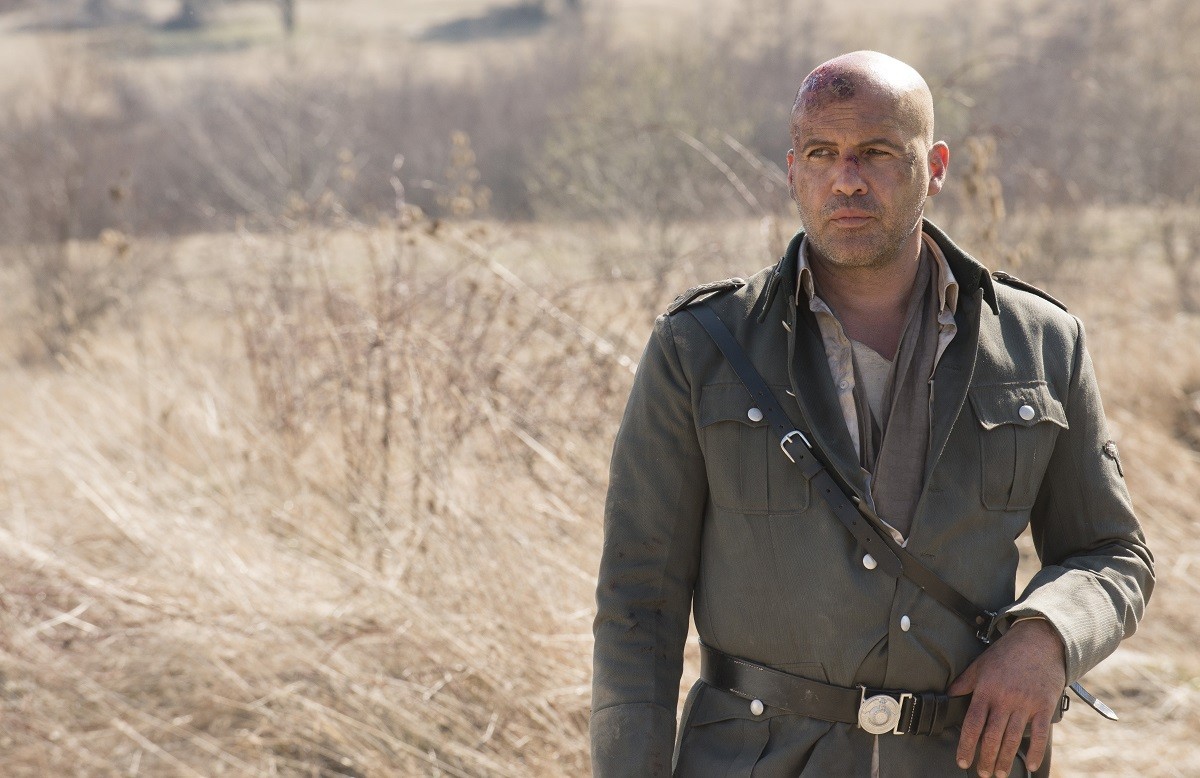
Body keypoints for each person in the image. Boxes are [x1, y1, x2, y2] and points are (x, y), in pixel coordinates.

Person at [590, 50, 1153, 777]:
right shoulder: (702, 347)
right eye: (821, 154)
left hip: (965, 761)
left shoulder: (1039, 341)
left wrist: (1048, 636)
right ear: (792, 169)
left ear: (935, 166)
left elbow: (1111, 552)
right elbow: (639, 604)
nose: (847, 179)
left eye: (878, 153)